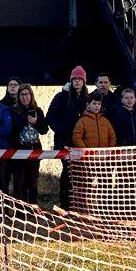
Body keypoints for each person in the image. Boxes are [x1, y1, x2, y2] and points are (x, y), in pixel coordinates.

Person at [46, 66, 89, 208]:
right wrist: (62, 132)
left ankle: (79, 203)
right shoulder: (61, 97)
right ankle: (65, 203)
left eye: (79, 79)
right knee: (68, 172)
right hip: (64, 142)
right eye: (74, 79)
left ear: (84, 81)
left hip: (81, 143)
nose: (77, 81)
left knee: (81, 173)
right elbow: (50, 117)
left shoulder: (87, 98)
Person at [7, 85, 46, 202]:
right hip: (19, 152)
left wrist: (36, 122)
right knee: (19, 183)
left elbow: (44, 130)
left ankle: (33, 208)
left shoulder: (38, 110)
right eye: (22, 94)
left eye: (27, 94)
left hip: (34, 150)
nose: (25, 97)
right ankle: (19, 209)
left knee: (33, 182)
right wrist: (24, 118)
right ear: (18, 96)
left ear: (31, 95)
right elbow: (11, 129)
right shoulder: (13, 110)